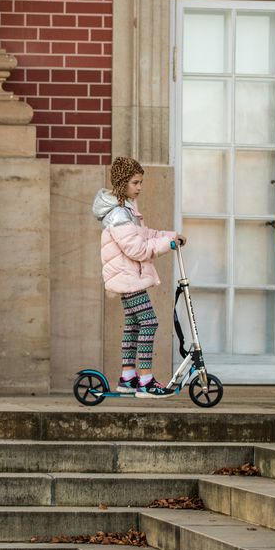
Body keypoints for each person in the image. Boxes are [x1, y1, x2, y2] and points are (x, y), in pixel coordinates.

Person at [93, 157, 186, 398]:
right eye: (135, 182)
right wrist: (168, 244)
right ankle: (145, 381)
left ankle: (128, 378)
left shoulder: (127, 210)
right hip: (127, 278)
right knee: (149, 321)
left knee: (134, 324)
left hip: (127, 277)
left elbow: (145, 235)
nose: (140, 187)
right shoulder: (119, 216)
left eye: (141, 182)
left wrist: (171, 236)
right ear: (122, 182)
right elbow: (137, 249)